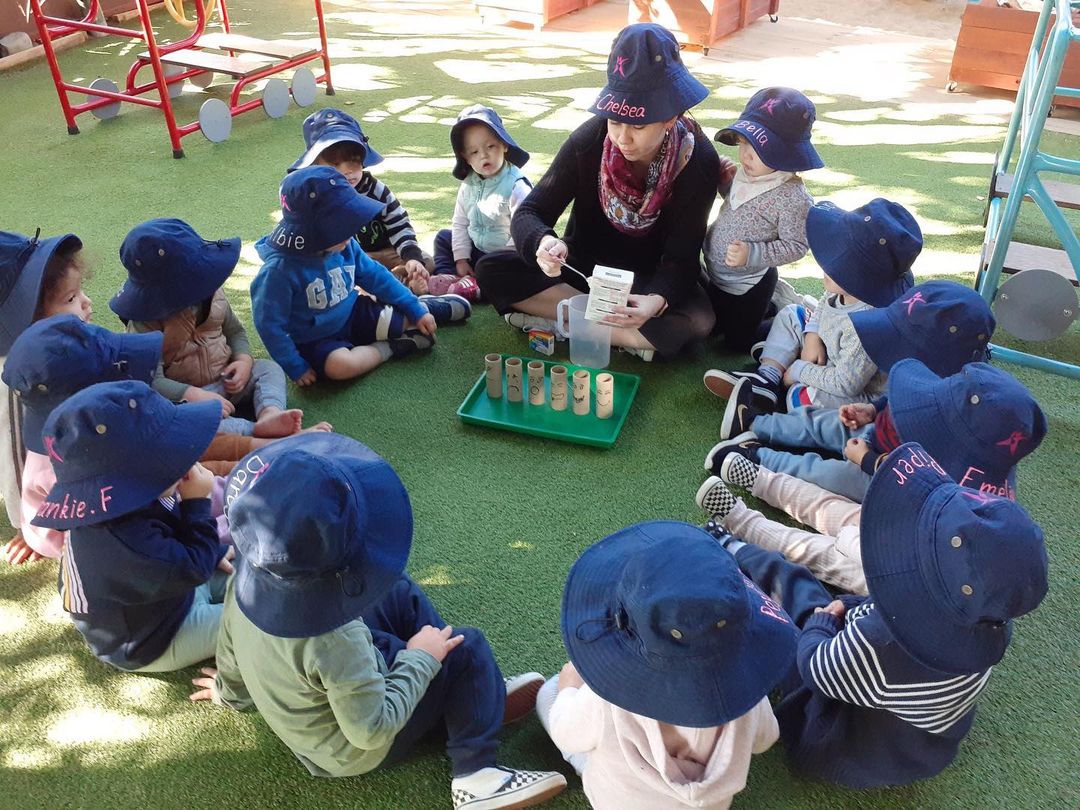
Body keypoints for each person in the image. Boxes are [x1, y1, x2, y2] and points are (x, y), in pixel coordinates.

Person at [189, 433, 567, 810]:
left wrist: (228, 693)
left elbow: (231, 658)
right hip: (355, 750)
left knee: (394, 588)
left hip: (329, 691)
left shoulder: (244, 586)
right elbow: (371, 730)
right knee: (467, 648)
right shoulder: (338, 638)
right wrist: (422, 660)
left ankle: (465, 693)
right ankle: (477, 776)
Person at [708, 442, 1048, 787]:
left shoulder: (880, 639)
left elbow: (817, 668)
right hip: (909, 741)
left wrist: (823, 621)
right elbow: (884, 619)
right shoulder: (989, 622)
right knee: (813, 594)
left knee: (792, 601)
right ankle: (742, 538)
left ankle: (729, 550)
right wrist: (853, 606)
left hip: (837, 737)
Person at [475, 23, 720, 362]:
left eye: (637, 125)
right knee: (491, 269)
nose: (623, 138)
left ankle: (569, 323)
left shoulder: (698, 161)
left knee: (698, 320)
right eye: (614, 121)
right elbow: (532, 212)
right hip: (582, 271)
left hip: (645, 281)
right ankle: (622, 335)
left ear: (670, 118)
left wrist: (654, 301)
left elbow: (681, 261)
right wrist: (544, 243)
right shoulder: (589, 142)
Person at [696, 363, 1047, 594]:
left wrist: (865, 460)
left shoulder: (964, 482)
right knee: (828, 508)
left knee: (823, 553)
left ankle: (741, 522)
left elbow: (911, 484)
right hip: (899, 519)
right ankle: (759, 474)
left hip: (909, 569)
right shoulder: (986, 455)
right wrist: (875, 410)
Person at [535, 520, 795, 809]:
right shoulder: (748, 691)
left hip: (620, 799)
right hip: (711, 804)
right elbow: (764, 739)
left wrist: (569, 685)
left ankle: (580, 765)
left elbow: (566, 733)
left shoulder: (607, 698)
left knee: (548, 693)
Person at [706, 280, 998, 501]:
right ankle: (755, 423)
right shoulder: (934, 373)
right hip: (879, 430)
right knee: (824, 423)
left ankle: (757, 458)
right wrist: (874, 410)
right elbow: (903, 400)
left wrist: (869, 460)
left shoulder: (967, 410)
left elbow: (926, 477)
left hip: (891, 474)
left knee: (824, 473)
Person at [32, 380, 231, 672]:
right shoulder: (126, 543)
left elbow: (181, 549)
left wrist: (212, 553)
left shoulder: (123, 501)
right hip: (152, 640)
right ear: (137, 477)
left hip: (170, 592)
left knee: (259, 584)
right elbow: (194, 567)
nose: (187, 457)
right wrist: (197, 502)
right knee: (254, 623)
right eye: (172, 453)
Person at [251, 166, 470, 386]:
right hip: (315, 340)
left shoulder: (346, 246)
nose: (350, 233)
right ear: (312, 232)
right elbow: (269, 326)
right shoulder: (277, 272)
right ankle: (392, 347)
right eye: (341, 228)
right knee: (340, 367)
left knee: (406, 321)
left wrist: (414, 308)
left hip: (353, 313)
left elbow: (377, 277)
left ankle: (425, 307)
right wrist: (294, 365)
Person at [704, 198, 922, 411]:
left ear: (861, 278)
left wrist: (800, 370)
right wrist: (812, 335)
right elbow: (822, 306)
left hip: (853, 388)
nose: (827, 265)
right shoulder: (845, 287)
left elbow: (846, 384)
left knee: (804, 397)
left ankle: (782, 370)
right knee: (792, 314)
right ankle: (768, 378)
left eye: (839, 263)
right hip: (825, 353)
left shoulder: (867, 326)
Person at [112, 218, 305, 439]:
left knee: (268, 369)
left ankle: (270, 413)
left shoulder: (213, 293)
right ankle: (252, 431)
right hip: (187, 398)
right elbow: (150, 379)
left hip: (227, 378)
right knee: (185, 423)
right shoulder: (144, 323)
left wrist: (243, 360)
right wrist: (193, 394)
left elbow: (235, 331)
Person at [1, 315, 163, 562]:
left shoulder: (76, 436)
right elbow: (105, 544)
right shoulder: (70, 471)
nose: (86, 303)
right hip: (86, 546)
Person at [702, 87, 821, 353]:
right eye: (743, 142)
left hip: (749, 284)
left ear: (786, 154)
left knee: (738, 344)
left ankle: (784, 320)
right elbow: (742, 208)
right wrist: (726, 186)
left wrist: (752, 253)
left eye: (756, 148)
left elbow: (796, 246)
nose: (745, 154)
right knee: (713, 326)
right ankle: (762, 309)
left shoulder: (792, 196)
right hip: (718, 275)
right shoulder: (750, 172)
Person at [0, 229, 86, 565]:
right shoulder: (17, 379)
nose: (86, 303)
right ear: (26, 320)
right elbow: (17, 455)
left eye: (80, 292)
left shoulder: (54, 344)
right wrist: (33, 524)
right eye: (70, 299)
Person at [289, 108, 436, 286]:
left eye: (354, 160)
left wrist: (412, 258)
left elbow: (399, 224)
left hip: (388, 253)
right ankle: (393, 284)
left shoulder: (376, 190)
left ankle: (399, 278)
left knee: (425, 261)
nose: (347, 170)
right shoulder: (315, 195)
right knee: (332, 276)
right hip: (349, 261)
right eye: (335, 164)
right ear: (315, 164)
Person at [429, 104, 532, 302]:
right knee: (443, 238)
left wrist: (502, 258)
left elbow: (524, 230)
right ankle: (449, 277)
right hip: (478, 249)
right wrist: (461, 258)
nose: (484, 155)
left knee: (506, 276)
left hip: (505, 255)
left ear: (504, 145)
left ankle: (478, 289)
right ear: (466, 159)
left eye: (490, 146)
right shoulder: (468, 184)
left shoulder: (516, 185)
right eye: (474, 152)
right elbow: (460, 223)